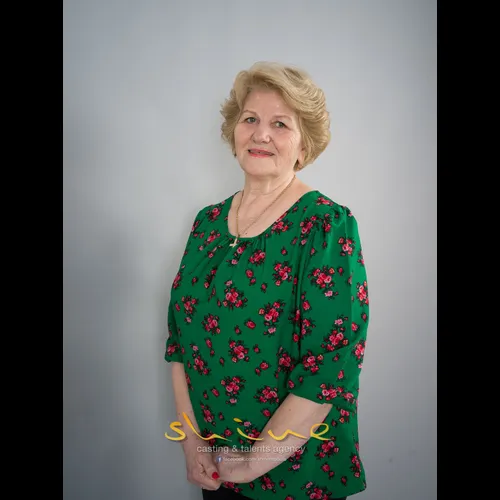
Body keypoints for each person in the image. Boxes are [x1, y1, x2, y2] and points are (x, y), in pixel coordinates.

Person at [164, 61, 369, 500]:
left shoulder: (325, 225)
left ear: (303, 144)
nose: (260, 134)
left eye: (280, 124)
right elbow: (180, 341)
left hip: (296, 475)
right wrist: (191, 442)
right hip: (217, 465)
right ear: (234, 131)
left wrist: (252, 464)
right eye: (250, 119)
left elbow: (330, 365)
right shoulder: (207, 223)